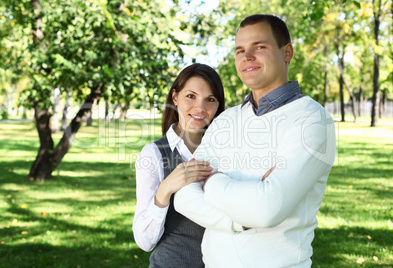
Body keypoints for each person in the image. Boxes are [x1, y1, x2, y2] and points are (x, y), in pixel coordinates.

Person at [174, 14, 336, 267]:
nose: (247, 57)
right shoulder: (227, 119)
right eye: (240, 50)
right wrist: (241, 220)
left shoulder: (312, 120)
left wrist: (212, 181)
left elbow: (266, 209)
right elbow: (183, 196)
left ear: (287, 53)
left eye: (259, 47)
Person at [132, 63, 228, 268]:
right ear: (175, 98)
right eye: (191, 96)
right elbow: (144, 242)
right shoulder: (154, 154)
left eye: (210, 100)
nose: (200, 108)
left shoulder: (227, 150)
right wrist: (165, 190)